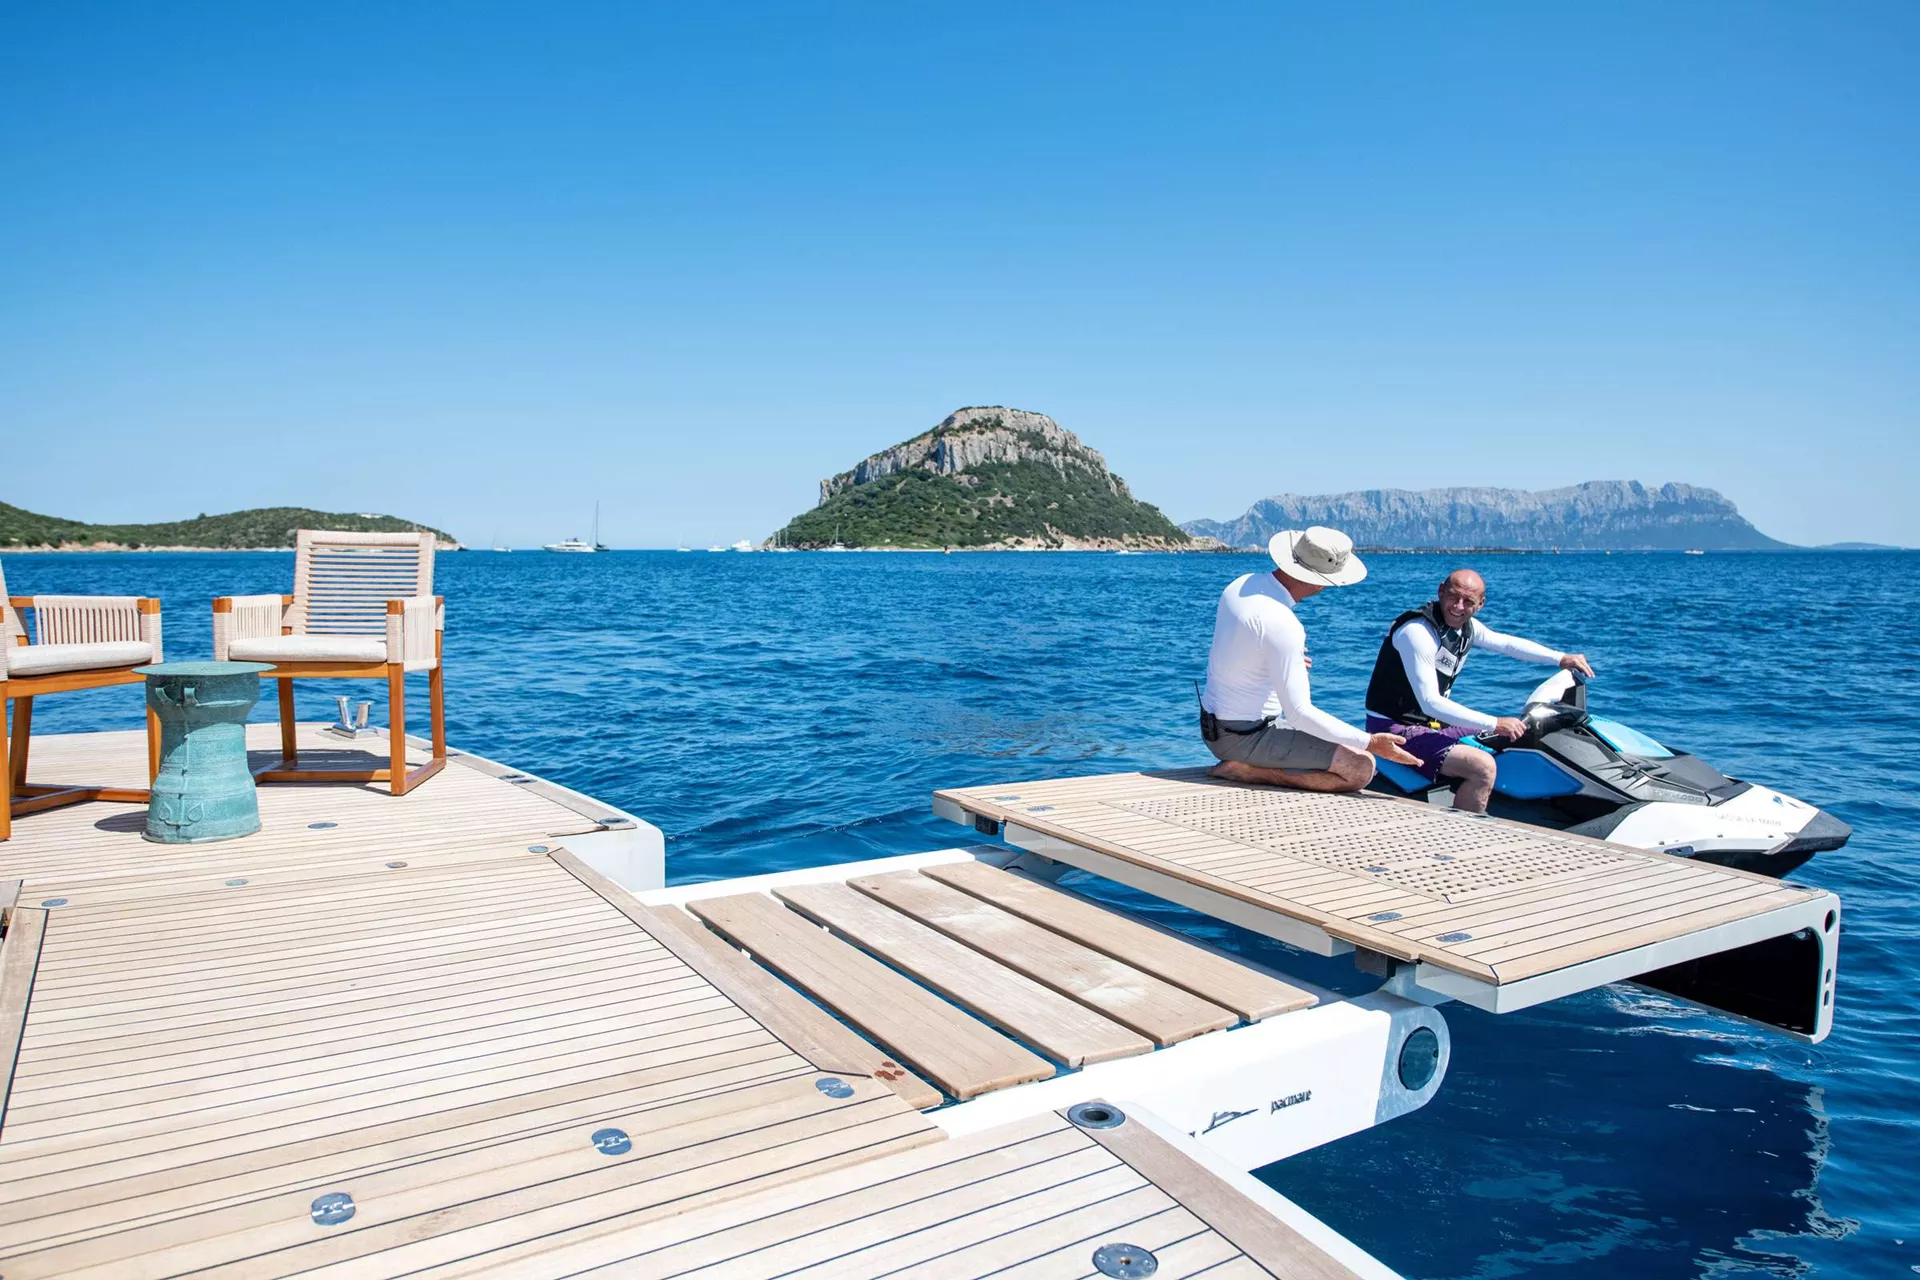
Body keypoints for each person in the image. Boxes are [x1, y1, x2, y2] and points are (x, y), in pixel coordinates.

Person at [1200, 527, 1422, 791]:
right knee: (1362, 766)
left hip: (1214, 727)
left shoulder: (1242, 584)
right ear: (1321, 582)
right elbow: (1299, 714)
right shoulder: (1282, 623)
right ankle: (1245, 771)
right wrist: (1370, 742)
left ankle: (1249, 762)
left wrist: (1276, 659)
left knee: (1346, 746)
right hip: (1243, 737)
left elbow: (1238, 647)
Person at [1363, 568, 1595, 812]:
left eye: (1468, 601)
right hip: (1392, 729)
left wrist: (1560, 658)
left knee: (1511, 738)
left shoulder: (1467, 628)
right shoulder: (1418, 632)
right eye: (1453, 596)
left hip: (1431, 724)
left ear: (1480, 604)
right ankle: (1466, 828)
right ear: (1441, 591)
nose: (1458, 607)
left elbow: (1506, 643)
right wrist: (1495, 722)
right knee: (1482, 766)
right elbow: (1430, 702)